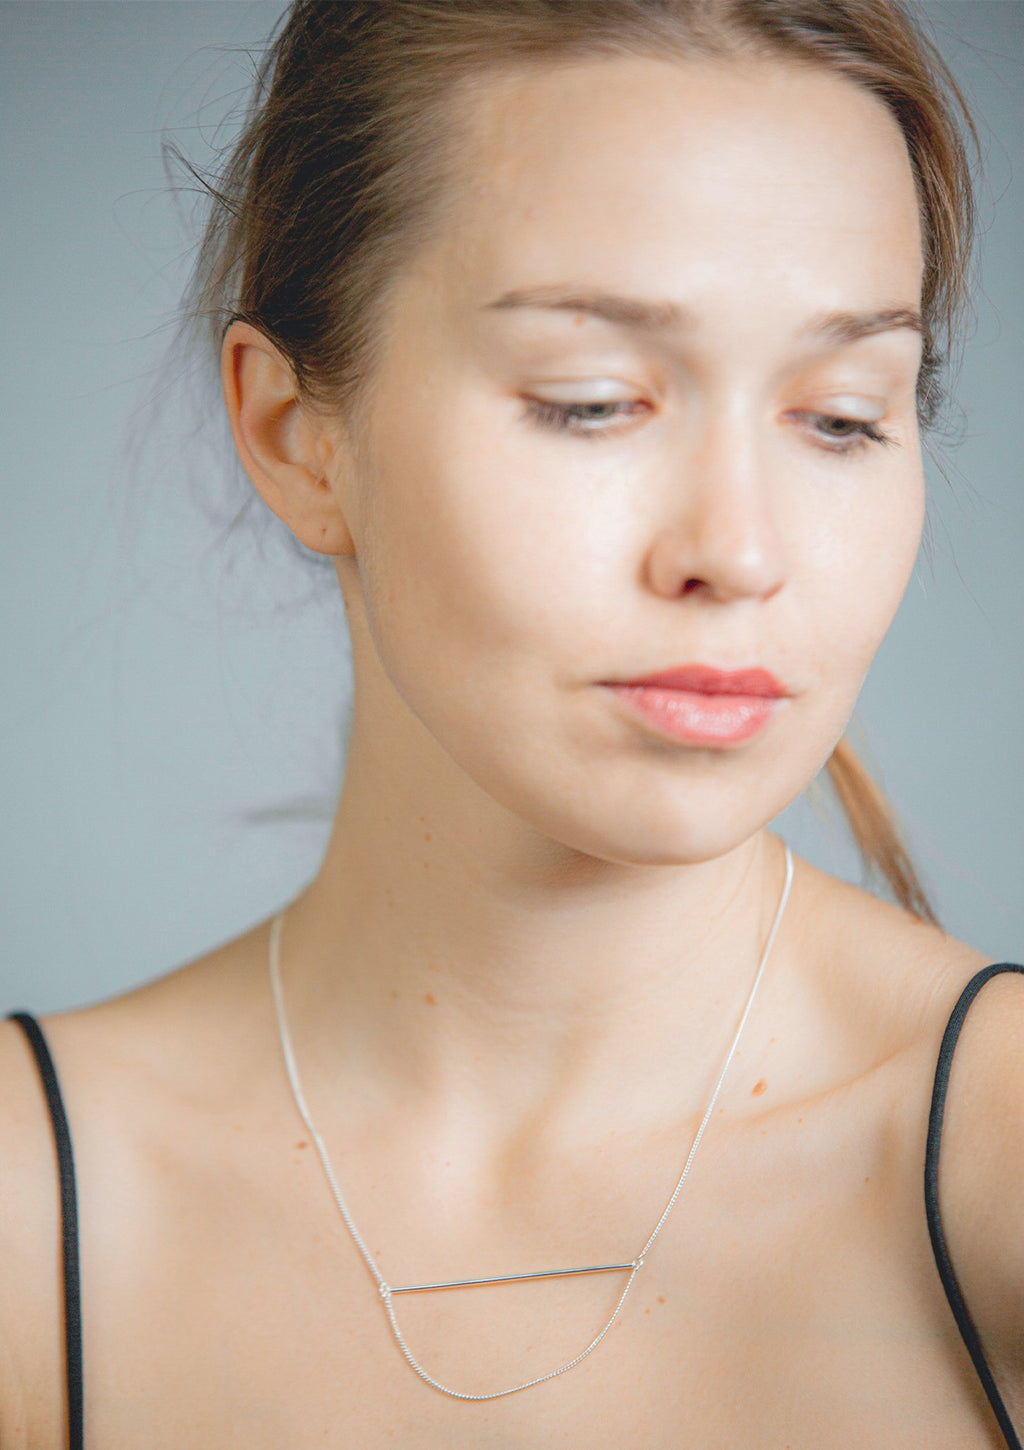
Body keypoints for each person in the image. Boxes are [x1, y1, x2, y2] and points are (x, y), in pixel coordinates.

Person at [2, 1, 1021, 1444]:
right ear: (300, 438)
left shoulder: (996, 1167)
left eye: (845, 417)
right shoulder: (34, 1210)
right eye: (594, 402)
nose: (737, 548)